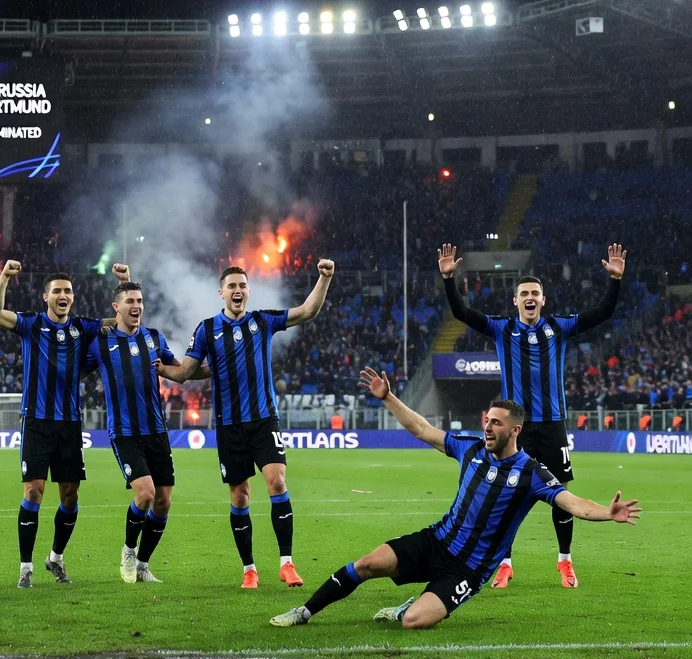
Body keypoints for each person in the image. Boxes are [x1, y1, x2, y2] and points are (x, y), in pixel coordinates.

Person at [270, 368, 640, 630]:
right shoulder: (470, 449)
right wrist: (388, 398)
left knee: (416, 621)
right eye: (487, 420)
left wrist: (607, 514)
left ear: (515, 429)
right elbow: (422, 429)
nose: (487, 427)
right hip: (437, 542)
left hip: (468, 570)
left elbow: (572, 503)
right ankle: (304, 612)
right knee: (368, 563)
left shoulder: (531, 473)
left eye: (496, 423)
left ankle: (408, 608)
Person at [441, 243, 624, 589]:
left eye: (535, 293)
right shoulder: (501, 329)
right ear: (515, 301)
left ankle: (565, 561)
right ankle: (505, 563)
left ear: (542, 301)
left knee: (561, 493)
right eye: (523, 293)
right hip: (515, 429)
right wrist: (449, 279)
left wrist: (614, 280)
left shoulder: (560, 327)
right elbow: (462, 313)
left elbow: (602, 313)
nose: (529, 297)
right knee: (505, 493)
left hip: (552, 425)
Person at [158, 260, 335, 589]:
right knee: (240, 496)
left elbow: (307, 311)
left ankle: (287, 563)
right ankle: (249, 569)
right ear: (221, 292)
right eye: (232, 286)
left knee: (277, 482)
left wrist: (324, 278)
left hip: (264, 420)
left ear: (248, 291)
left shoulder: (263, 321)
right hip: (230, 427)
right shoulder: (207, 329)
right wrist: (160, 368)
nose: (237, 291)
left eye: (242, 286)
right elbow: (185, 372)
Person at [0, 260, 131, 588]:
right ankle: (25, 568)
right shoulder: (31, 325)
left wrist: (126, 281)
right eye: (57, 291)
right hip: (36, 421)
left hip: (69, 424)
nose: (62, 295)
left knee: (70, 496)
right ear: (45, 297)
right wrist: (5, 277)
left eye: (67, 291)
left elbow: (124, 321)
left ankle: (56, 558)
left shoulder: (84, 327)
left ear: (73, 297)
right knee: (34, 491)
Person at [83, 281, 182, 584]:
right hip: (124, 432)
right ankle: (128, 550)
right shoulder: (100, 343)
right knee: (146, 494)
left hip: (156, 430)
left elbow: (179, 369)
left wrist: (211, 367)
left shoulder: (154, 338)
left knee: (164, 501)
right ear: (116, 307)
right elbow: (72, 369)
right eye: (130, 301)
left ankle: (142, 564)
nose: (136, 305)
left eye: (139, 300)